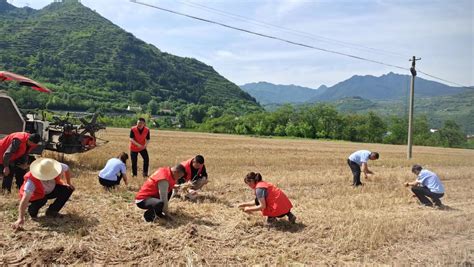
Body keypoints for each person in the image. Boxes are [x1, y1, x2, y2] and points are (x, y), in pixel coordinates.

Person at [12, 158, 74, 230]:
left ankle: (52, 211)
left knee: (68, 189)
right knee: (41, 201)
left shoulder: (54, 166)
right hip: (36, 195)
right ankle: (32, 210)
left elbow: (67, 168)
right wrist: (20, 218)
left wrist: (69, 183)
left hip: (50, 190)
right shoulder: (31, 181)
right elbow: (24, 200)